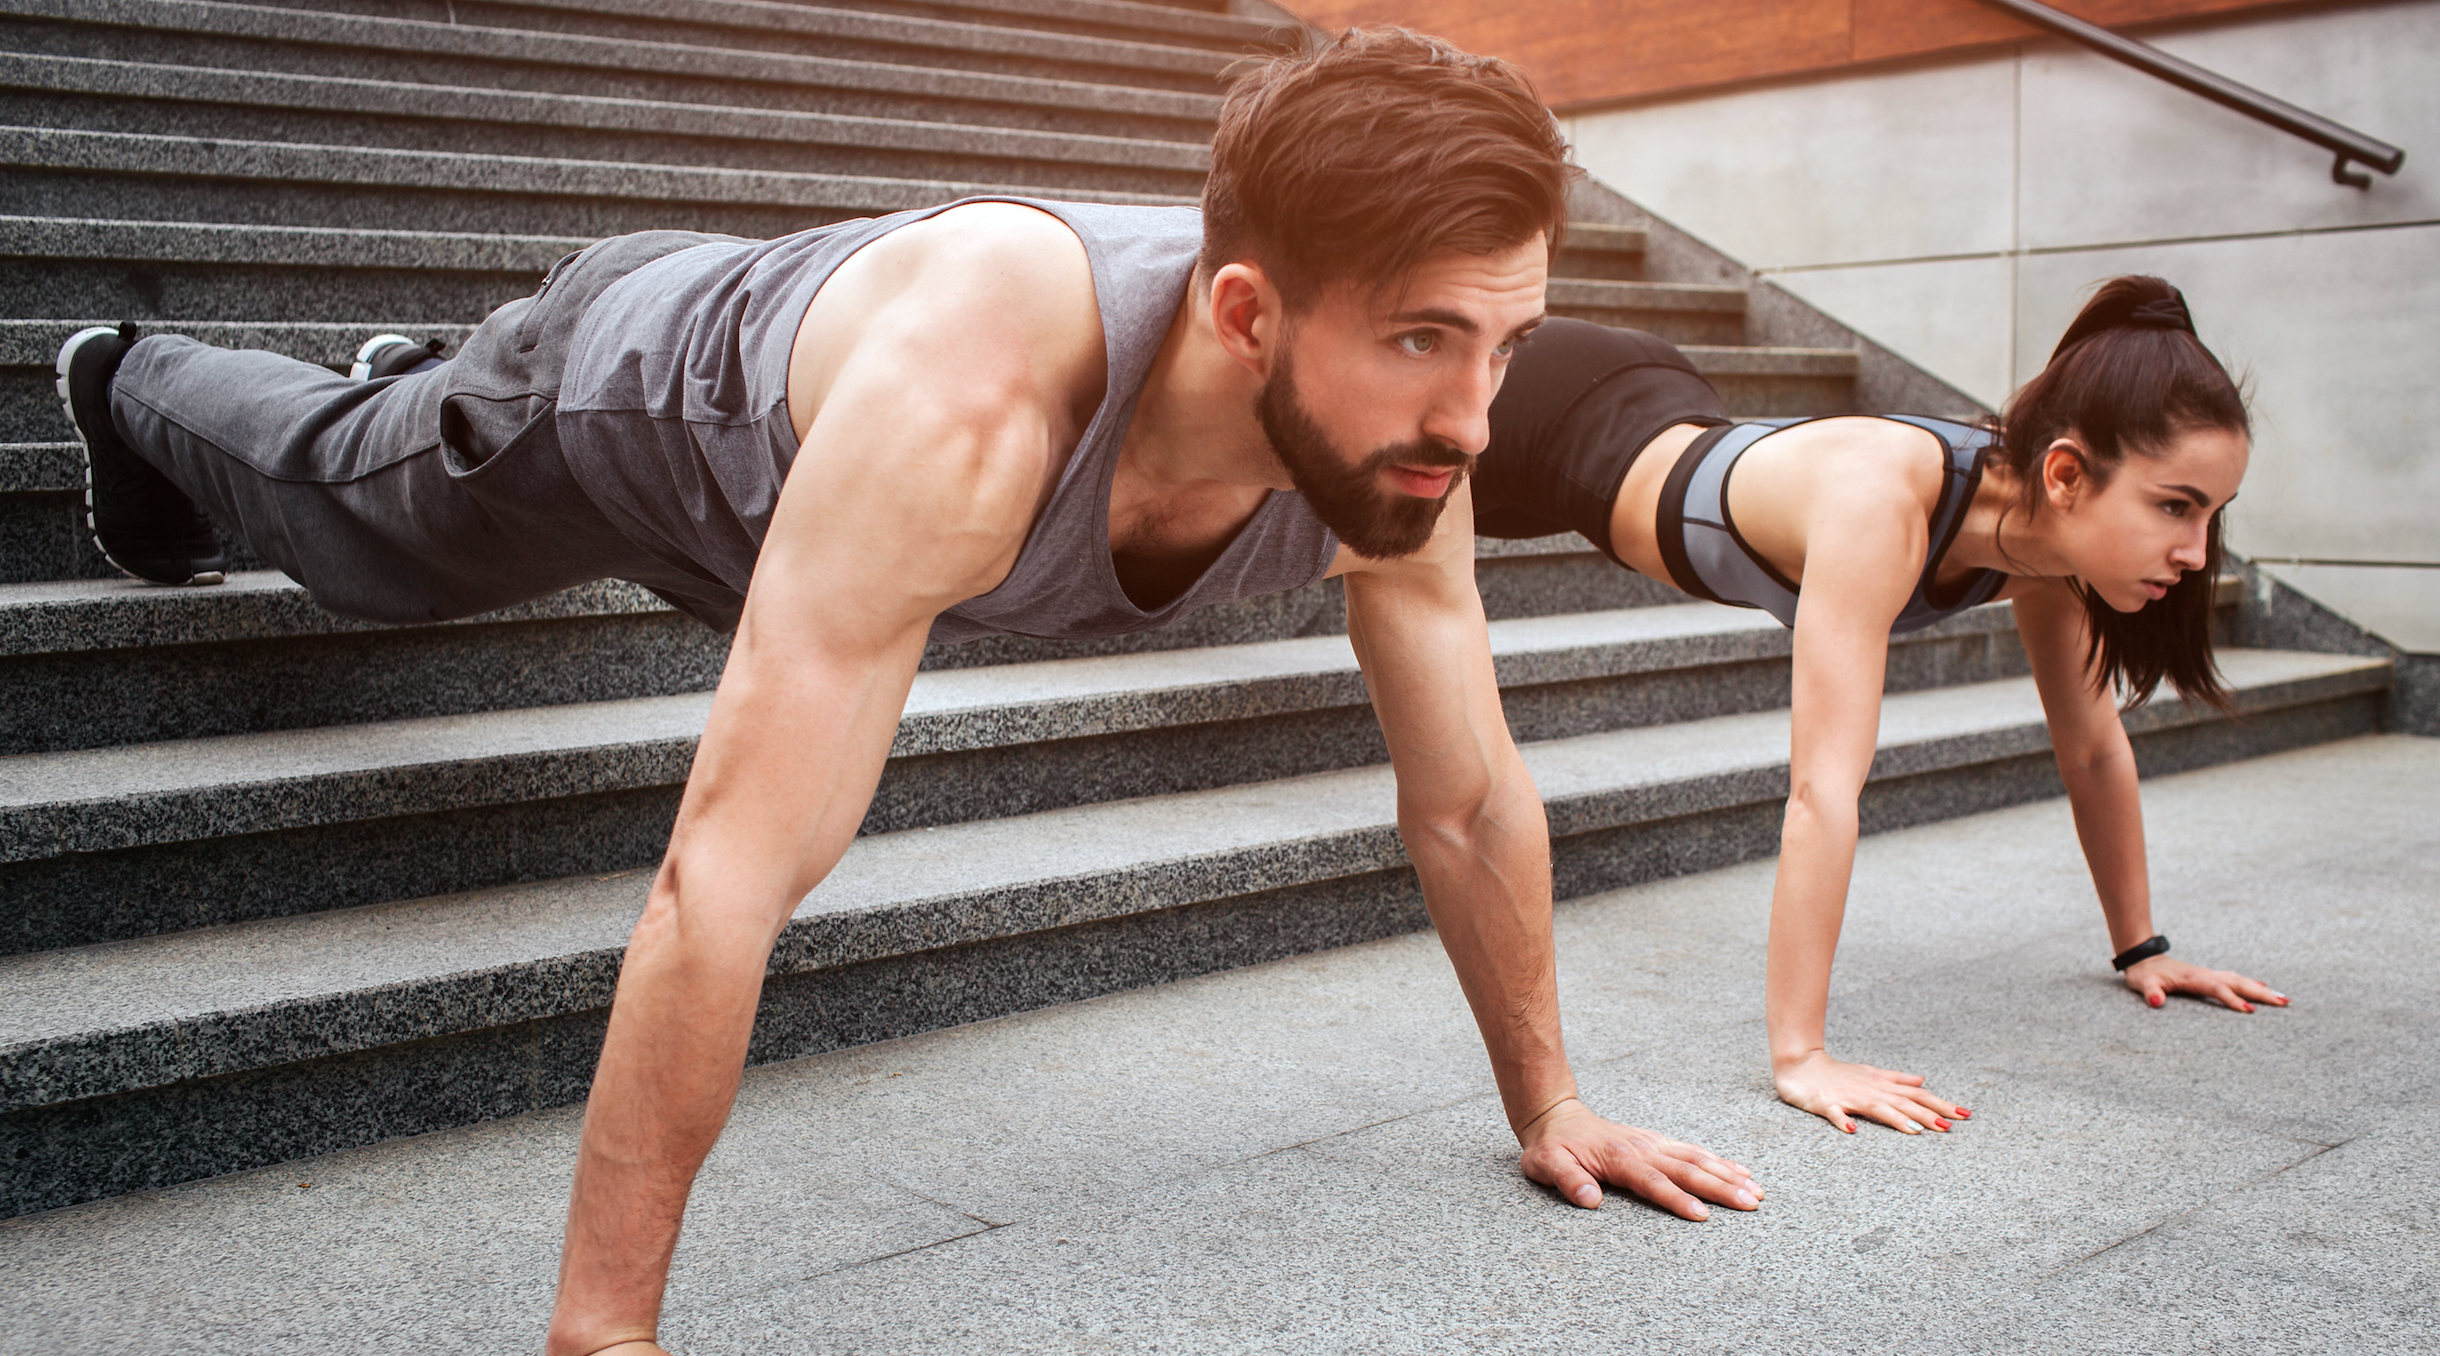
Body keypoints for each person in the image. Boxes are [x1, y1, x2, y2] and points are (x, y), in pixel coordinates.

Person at [54, 30, 1764, 1356]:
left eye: (1509, 342)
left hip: (817, 468)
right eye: (1421, 340)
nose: (1477, 418)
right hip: (624, 415)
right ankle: (140, 378)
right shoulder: (972, 410)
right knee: (366, 526)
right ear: (1248, 314)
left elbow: (1462, 795)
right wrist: (606, 1329)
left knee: (415, 474)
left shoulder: (1407, 462)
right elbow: (723, 878)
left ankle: (415, 382)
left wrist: (1550, 1100)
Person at [1471, 279, 2289, 1140]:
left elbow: (2089, 745)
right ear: (2066, 473)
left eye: (2211, 515)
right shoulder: (1881, 503)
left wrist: (2143, 951)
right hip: (1548, 406)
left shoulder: (2049, 543)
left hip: (1654, 400)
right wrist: (1802, 1057)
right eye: (2175, 507)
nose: (2197, 555)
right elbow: (1823, 790)